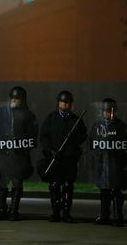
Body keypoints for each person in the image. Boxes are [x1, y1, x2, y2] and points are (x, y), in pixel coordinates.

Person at [0, 86, 38, 221]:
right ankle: (1, 210)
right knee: (2, 182)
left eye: (17, 98)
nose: (14, 101)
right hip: (4, 154)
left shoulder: (28, 115)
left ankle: (13, 210)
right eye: (13, 98)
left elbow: (32, 135)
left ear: (22, 100)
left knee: (16, 183)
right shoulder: (1, 112)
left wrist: (23, 147)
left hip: (18, 155)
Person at [38, 90, 87, 223]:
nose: (64, 105)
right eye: (62, 102)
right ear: (58, 103)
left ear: (71, 104)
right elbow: (43, 136)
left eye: (67, 103)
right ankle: (55, 213)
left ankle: (66, 213)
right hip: (55, 158)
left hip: (69, 159)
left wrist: (73, 139)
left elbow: (83, 136)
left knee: (67, 186)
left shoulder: (76, 120)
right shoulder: (51, 118)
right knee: (54, 185)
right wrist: (50, 151)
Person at [90, 98, 127, 227]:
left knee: (116, 190)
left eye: (110, 111)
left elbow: (125, 143)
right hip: (102, 161)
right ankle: (105, 216)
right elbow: (91, 143)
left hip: (115, 161)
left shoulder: (121, 125)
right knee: (104, 191)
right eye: (106, 111)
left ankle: (118, 217)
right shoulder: (97, 125)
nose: (108, 114)